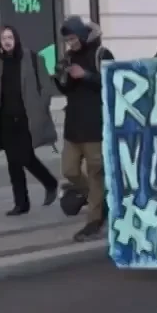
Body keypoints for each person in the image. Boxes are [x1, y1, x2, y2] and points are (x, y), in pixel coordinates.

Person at [0, 25, 59, 215]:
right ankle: (21, 203)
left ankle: (50, 182)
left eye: (10, 37)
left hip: (26, 119)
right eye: (3, 38)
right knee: (13, 163)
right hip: (6, 120)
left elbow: (47, 87)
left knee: (26, 157)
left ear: (16, 38)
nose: (7, 41)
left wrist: (40, 106)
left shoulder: (33, 58)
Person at [55, 16, 111, 241]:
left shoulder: (101, 54)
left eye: (73, 38)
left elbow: (112, 81)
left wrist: (85, 75)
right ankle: (97, 199)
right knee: (69, 170)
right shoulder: (69, 56)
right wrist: (60, 77)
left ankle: (94, 222)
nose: (71, 43)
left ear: (81, 34)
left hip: (95, 125)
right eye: (67, 40)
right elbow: (68, 90)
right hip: (74, 125)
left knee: (96, 173)